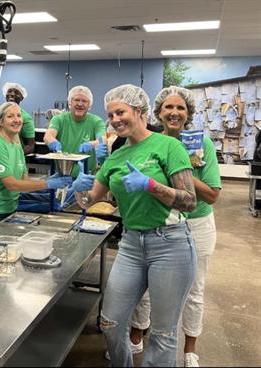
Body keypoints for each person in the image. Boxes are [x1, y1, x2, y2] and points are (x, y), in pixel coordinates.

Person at [71, 84, 198, 367]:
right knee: (110, 321)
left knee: (163, 333)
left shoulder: (169, 146)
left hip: (170, 244)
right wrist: (78, 189)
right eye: (110, 115)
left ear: (139, 111)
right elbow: (90, 200)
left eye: (120, 112)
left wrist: (151, 185)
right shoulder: (115, 156)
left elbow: (190, 201)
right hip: (131, 244)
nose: (114, 119)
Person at [128, 86, 221, 367]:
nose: (174, 112)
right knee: (145, 287)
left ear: (188, 114)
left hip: (198, 225)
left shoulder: (201, 144)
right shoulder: (151, 142)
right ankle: (135, 338)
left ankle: (190, 350)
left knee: (194, 289)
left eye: (181, 108)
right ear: (158, 112)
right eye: (168, 107)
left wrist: (184, 169)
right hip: (163, 223)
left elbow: (213, 194)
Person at [0, 102, 72, 224]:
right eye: (10, 116)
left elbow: (25, 182)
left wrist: (50, 181)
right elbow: (12, 185)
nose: (16, 120)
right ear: (0, 122)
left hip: (10, 209)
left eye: (19, 116)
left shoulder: (16, 145)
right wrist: (47, 184)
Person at [43, 85, 107, 177]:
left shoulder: (96, 121)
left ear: (90, 104)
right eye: (76, 100)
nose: (80, 104)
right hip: (61, 174)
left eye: (84, 101)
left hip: (86, 176)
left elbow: (103, 139)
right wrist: (53, 142)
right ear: (70, 102)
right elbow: (48, 136)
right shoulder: (59, 119)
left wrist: (92, 144)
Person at [2, 82, 35, 154]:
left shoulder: (26, 118)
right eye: (9, 91)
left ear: (21, 98)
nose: (12, 94)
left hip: (16, 161)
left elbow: (30, 146)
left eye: (16, 92)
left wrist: (15, 155)